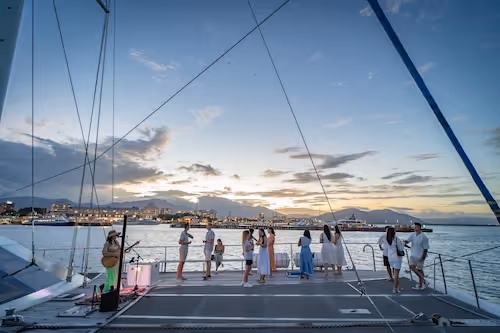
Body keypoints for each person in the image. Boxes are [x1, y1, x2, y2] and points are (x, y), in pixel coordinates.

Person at [404, 222, 430, 290]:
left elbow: (426, 248)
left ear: (419, 227)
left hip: (420, 256)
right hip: (413, 255)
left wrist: (423, 258)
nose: (414, 228)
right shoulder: (412, 234)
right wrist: (403, 242)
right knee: (411, 267)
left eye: (416, 227)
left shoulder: (424, 237)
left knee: (420, 270)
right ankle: (424, 281)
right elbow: (407, 241)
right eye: (414, 227)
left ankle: (421, 284)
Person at [384, 227, 404, 293]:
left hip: (390, 258)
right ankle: (394, 288)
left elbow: (385, 248)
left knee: (395, 273)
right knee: (396, 274)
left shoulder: (387, 239)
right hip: (397, 258)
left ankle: (398, 287)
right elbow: (400, 249)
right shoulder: (396, 239)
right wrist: (403, 243)